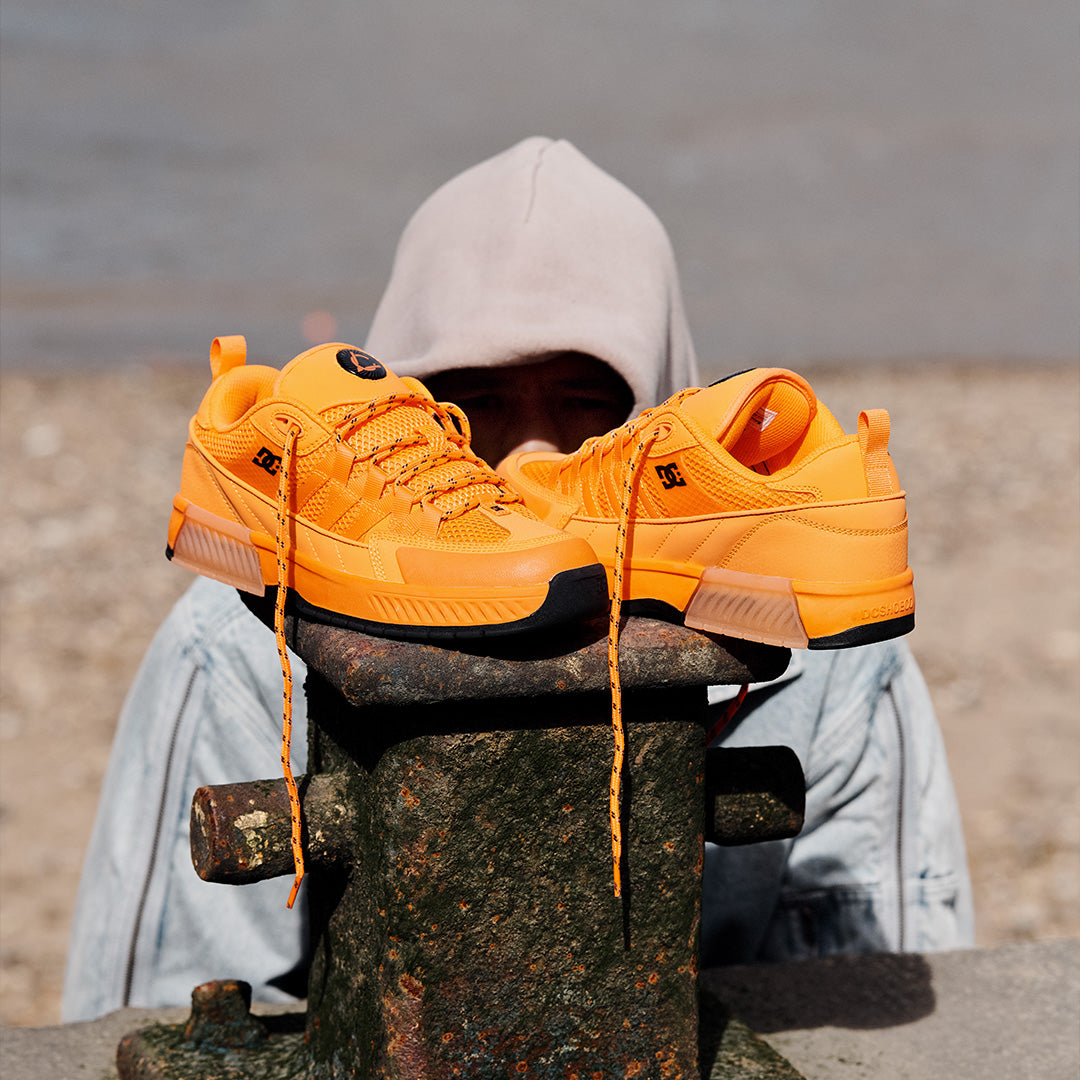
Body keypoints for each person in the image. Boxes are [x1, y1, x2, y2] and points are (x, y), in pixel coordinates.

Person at [62, 137, 972, 1021]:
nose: (534, 452)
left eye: (585, 401)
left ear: (658, 417)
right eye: (477, 401)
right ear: (394, 417)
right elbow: (166, 1007)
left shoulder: (828, 661)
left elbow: (874, 984)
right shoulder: (240, 649)